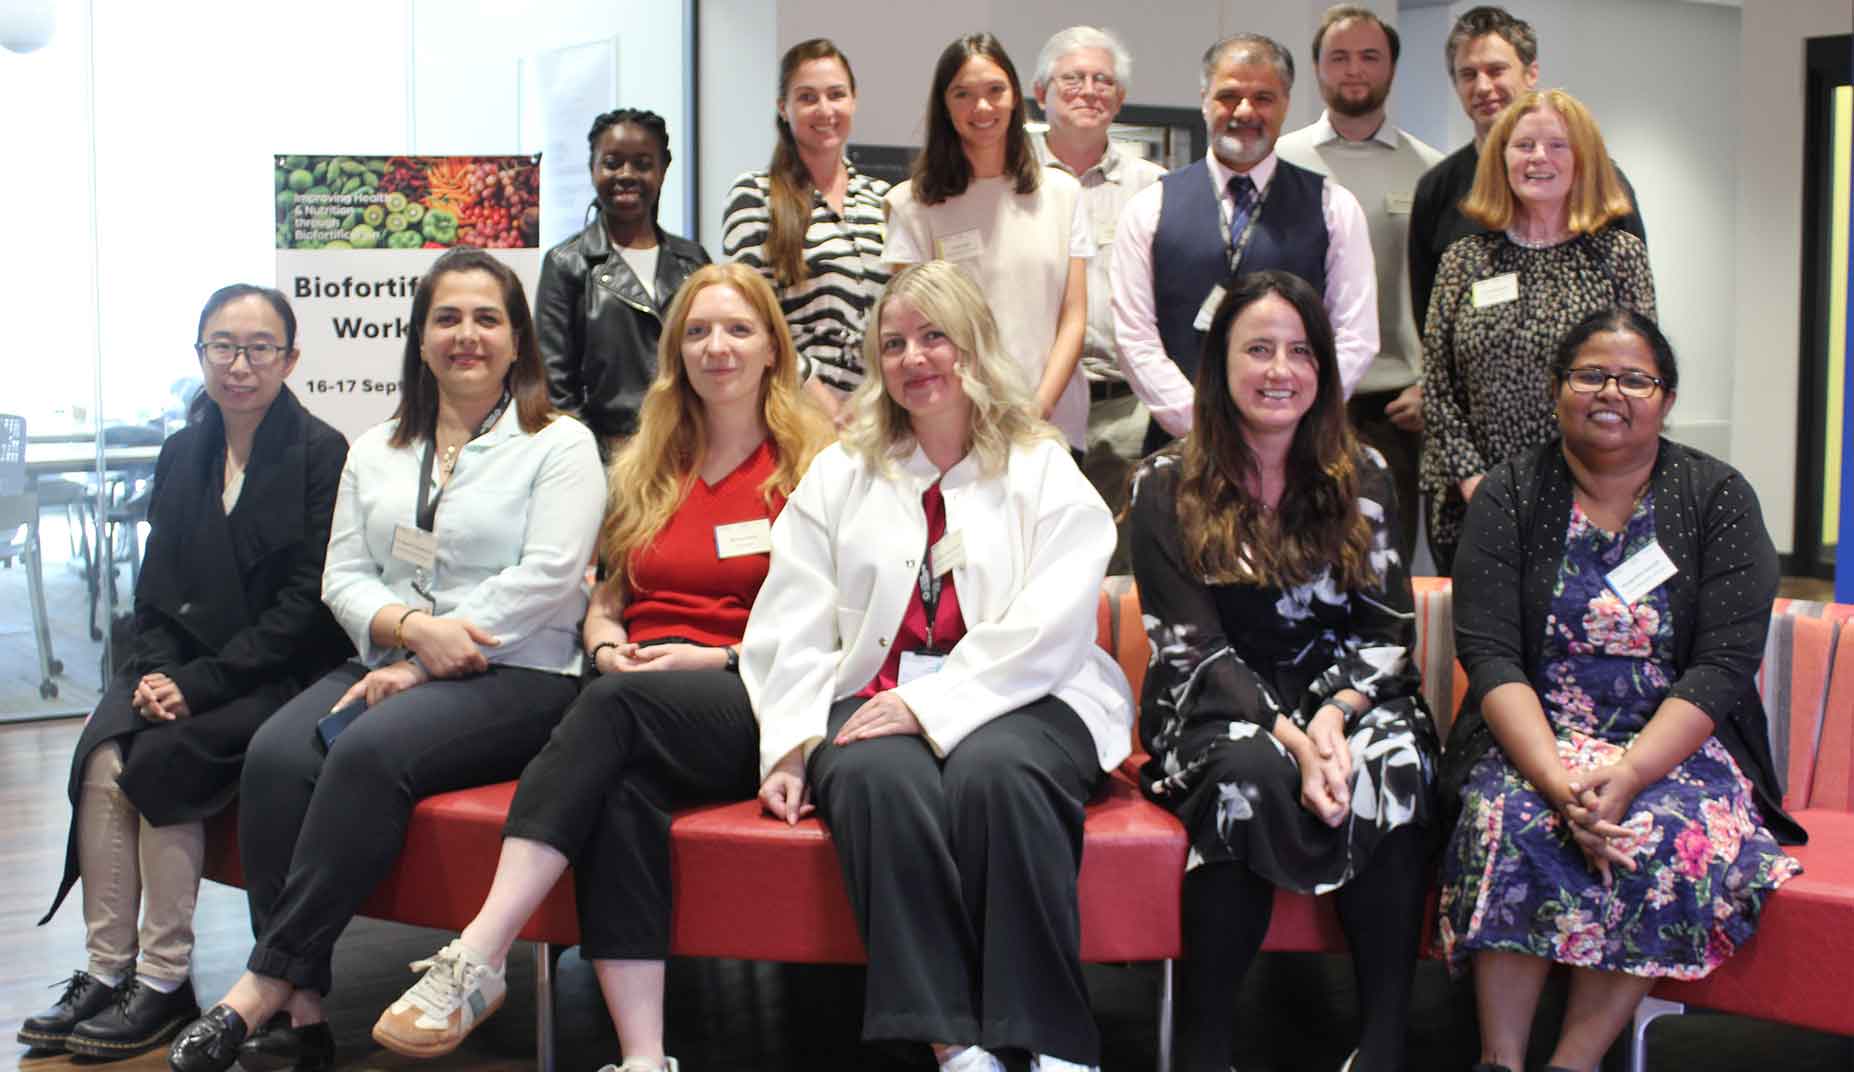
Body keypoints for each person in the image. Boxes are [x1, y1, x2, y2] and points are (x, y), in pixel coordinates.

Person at [365, 263, 829, 1072]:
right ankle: (644, 1058)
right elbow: (610, 591)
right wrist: (605, 635)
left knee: (613, 711)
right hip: (635, 691)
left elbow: (834, 622)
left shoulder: (817, 469)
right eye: (696, 331)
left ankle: (478, 953)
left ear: (772, 350)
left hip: (751, 692)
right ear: (675, 352)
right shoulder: (650, 462)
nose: (716, 347)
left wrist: (712, 654)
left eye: (738, 330)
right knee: (618, 791)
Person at [168, 249, 606, 1072]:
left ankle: (261, 984)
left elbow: (548, 578)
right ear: (420, 338)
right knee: (273, 757)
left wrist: (435, 651)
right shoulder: (377, 446)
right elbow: (342, 574)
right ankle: (299, 1013)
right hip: (392, 655)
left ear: (518, 341)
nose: (465, 335)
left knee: (367, 752)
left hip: (520, 671)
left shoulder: (561, 445)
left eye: (486, 318)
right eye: (447, 318)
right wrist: (408, 630)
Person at [748, 260, 1133, 1072]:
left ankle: (1053, 1045)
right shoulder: (843, 471)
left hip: (1032, 692)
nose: (915, 358)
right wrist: (787, 741)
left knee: (998, 774)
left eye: (934, 337)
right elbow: (789, 616)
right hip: (876, 692)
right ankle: (955, 1046)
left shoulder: (1037, 461)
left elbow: (1056, 616)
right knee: (867, 776)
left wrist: (941, 705)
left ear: (973, 347)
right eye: (894, 343)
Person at [1436, 307, 1804, 1072]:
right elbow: (1492, 655)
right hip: (1535, 737)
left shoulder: (1717, 498)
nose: (1613, 392)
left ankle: (1574, 1062)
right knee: (1512, 817)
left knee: (1660, 831)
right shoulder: (1508, 495)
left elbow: (1721, 666)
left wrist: (1629, 773)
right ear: (1556, 388)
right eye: (1591, 374)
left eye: (1636, 379)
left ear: (1665, 399)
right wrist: (1557, 781)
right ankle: (1498, 1061)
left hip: (1673, 750)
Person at [20, 287, 351, 1061]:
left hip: (280, 674)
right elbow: (157, 586)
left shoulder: (321, 452)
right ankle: (109, 971)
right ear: (199, 354)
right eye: (223, 347)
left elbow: (307, 605)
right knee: (103, 752)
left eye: (260, 347)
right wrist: (158, 673)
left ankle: (166, 980)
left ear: (290, 359)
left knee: (165, 757)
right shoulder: (183, 450)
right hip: (182, 665)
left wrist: (197, 685)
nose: (240, 365)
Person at [1127, 270, 1436, 1072]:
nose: (1280, 370)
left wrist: (1333, 719)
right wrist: (1298, 743)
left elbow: (1388, 629)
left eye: (1300, 352)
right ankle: (1205, 1044)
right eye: (1257, 349)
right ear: (1220, 365)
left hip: (1345, 696)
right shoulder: (1164, 484)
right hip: (1215, 699)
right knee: (1248, 773)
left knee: (1394, 764)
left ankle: (1385, 1044)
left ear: (1324, 369)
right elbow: (1191, 644)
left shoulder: (1362, 472)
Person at [1418, 88, 1655, 573]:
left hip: (1594, 500)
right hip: (1476, 502)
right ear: (1501, 158)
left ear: (1583, 159)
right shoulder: (1465, 261)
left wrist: (1599, 489)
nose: (1539, 158)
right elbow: (1439, 386)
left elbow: (1640, 384)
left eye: (1557, 145)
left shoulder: (1620, 257)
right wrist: (1473, 481)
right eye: (1524, 145)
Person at [1111, 32, 1377, 453]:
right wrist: (1199, 423)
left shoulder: (1334, 208)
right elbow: (1134, 337)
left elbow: (1356, 335)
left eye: (1263, 98)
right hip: (1182, 444)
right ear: (1204, 99)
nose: (1245, 111)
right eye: (1229, 96)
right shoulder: (1149, 207)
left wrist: (1293, 417)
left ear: (1286, 104)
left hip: (1301, 447)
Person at [1276, 4, 1443, 563]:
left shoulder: (1430, 171)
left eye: (1369, 56)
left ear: (1391, 67)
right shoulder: (1281, 161)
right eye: (1338, 57)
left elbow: (1449, 295)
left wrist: (1432, 388)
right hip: (1299, 395)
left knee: (1384, 564)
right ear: (1317, 68)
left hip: (1396, 404)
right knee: (1296, 555)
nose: (1354, 70)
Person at [881, 33, 1094, 459]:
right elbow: (913, 333)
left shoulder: (1062, 193)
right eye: (963, 94)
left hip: (1051, 425)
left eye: (994, 90)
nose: (982, 107)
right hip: (954, 430)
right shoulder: (911, 206)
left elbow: (1073, 316)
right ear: (945, 105)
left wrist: (1039, 406)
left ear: (1015, 96)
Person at [1407, 5, 1645, 336]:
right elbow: (1431, 326)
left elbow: (1639, 332)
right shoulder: (1437, 188)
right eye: (1468, 74)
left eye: (1496, 70)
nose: (1483, 87)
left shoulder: (1600, 181)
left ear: (1531, 73)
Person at [1028, 25, 1165, 529]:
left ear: (1121, 98)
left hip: (1125, 409)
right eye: (1073, 78)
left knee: (1121, 564)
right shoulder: (1011, 180)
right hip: (1033, 407)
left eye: (1103, 81)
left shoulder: (1153, 188)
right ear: (1040, 92)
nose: (1089, 90)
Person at [721, 38, 889, 424]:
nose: (825, 109)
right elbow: (753, 317)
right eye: (807, 97)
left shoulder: (881, 198)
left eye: (836, 95)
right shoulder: (755, 195)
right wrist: (826, 407)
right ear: (783, 107)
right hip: (797, 411)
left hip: (878, 413)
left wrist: (873, 404)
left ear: (854, 100)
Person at [538, 108, 711, 453]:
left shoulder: (693, 262)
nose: (627, 175)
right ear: (592, 168)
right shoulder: (567, 264)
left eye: (643, 164)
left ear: (663, 170)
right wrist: (597, 462)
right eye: (613, 163)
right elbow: (556, 389)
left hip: (688, 450)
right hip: (605, 461)